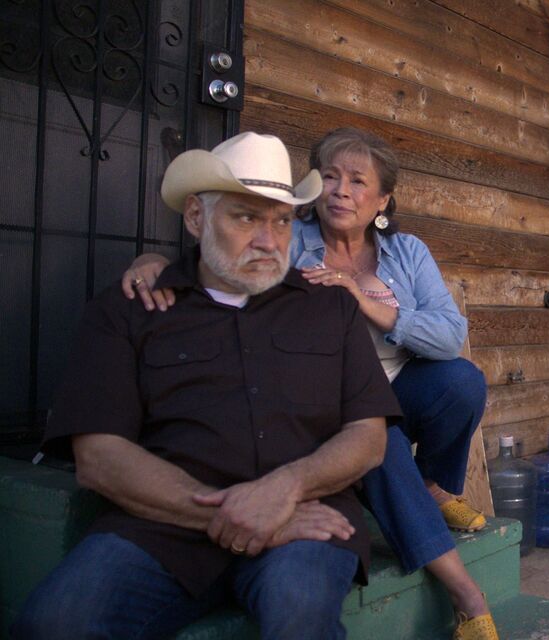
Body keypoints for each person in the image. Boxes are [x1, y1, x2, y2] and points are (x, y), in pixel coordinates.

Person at [12, 132, 402, 639]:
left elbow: (368, 436)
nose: (269, 241)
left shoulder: (329, 307)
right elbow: (100, 456)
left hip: (303, 518)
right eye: (246, 218)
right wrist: (235, 512)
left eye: (282, 221)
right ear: (196, 217)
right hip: (162, 525)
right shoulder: (131, 309)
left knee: (300, 611)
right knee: (56, 622)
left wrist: (283, 490)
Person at [121, 128, 497, 638]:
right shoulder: (287, 238)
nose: (341, 191)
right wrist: (155, 264)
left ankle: (429, 486)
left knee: (461, 381)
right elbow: (219, 264)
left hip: (398, 382)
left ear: (382, 200)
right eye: (331, 177)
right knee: (378, 436)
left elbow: (450, 336)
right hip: (328, 400)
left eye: (358, 181)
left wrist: (364, 301)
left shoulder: (406, 252)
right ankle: (463, 590)